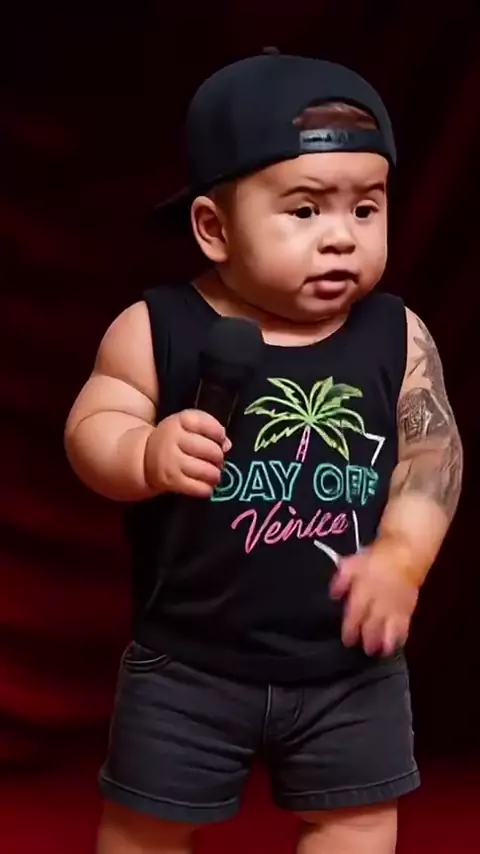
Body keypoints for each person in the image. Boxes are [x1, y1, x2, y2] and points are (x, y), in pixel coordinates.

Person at [64, 51, 463, 854]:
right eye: (305, 210)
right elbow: (90, 426)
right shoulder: (158, 328)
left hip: (349, 663)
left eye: (366, 208)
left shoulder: (398, 334)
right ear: (214, 228)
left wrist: (401, 557)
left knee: (358, 822)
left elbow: (431, 453)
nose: (341, 238)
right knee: (147, 825)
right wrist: (143, 450)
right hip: (188, 661)